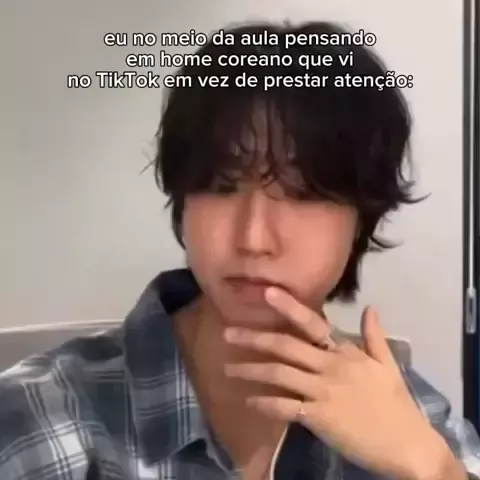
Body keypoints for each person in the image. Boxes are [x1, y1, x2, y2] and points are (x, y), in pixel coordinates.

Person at [0, 20, 479, 480]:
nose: (253, 239)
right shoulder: (43, 417)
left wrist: (435, 471)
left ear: (362, 218)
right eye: (222, 185)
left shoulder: (414, 418)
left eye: (303, 193)